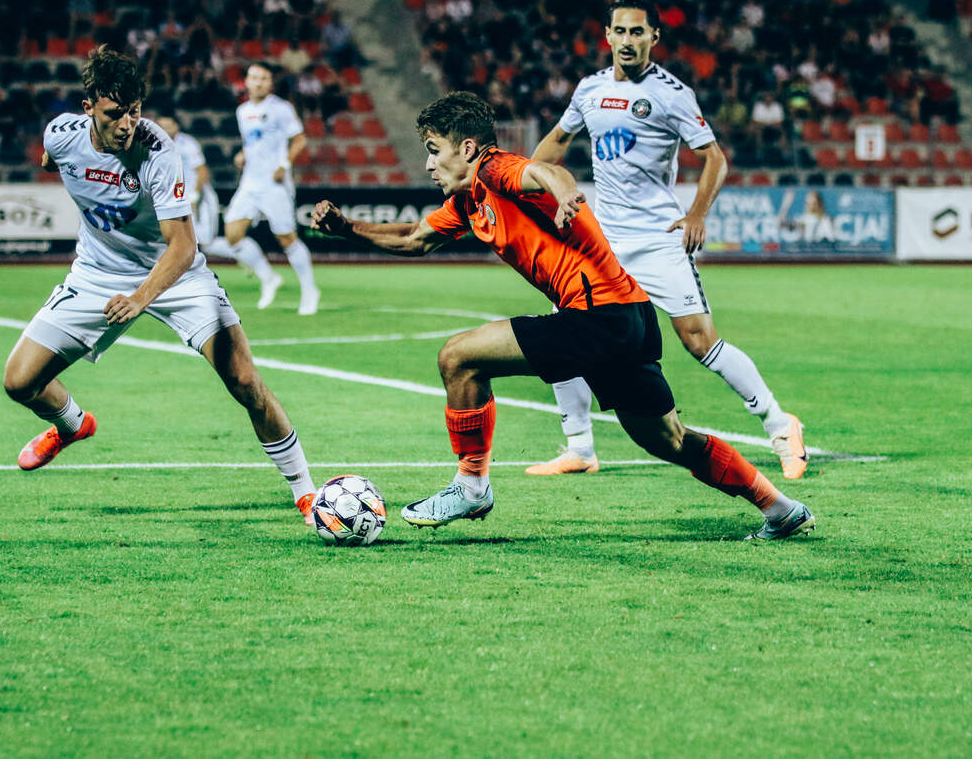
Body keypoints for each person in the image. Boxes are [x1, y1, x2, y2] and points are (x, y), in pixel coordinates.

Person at [311, 91, 815, 541]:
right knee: (670, 440)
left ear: (466, 148)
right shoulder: (468, 200)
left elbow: (544, 171)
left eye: (433, 149)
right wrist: (348, 228)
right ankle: (780, 509)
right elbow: (416, 239)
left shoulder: (493, 169)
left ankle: (471, 486)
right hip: (630, 315)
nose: (428, 164)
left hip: (597, 315)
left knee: (459, 357)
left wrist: (566, 192)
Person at [2, 46, 317, 527]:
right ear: (88, 109)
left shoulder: (157, 151)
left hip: (175, 276)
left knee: (244, 380)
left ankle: (307, 492)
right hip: (97, 273)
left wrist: (140, 297)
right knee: (19, 382)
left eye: (134, 111)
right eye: (114, 113)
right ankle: (72, 425)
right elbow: (51, 159)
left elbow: (183, 246)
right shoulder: (62, 135)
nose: (127, 124)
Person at [525, 0, 808, 480]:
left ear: (654, 37)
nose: (628, 40)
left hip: (658, 238)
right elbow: (555, 143)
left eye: (638, 31)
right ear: (607, 36)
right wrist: (529, 178)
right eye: (620, 31)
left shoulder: (671, 94)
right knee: (563, 331)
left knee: (699, 341)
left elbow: (715, 158)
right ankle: (580, 448)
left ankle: (781, 425)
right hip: (602, 240)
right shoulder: (589, 90)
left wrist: (697, 213)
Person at [156, 116, 283, 309]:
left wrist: (194, 196)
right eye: (162, 126)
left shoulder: (187, 144)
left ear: (177, 126)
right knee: (181, 243)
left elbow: (203, 172)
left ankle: (261, 268)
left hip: (199, 201)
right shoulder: (154, 146)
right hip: (176, 201)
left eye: (169, 125)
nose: (166, 129)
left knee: (205, 243)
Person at [228, 63, 320, 315]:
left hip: (274, 184)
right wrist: (243, 154)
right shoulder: (242, 111)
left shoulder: (281, 108)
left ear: (271, 83)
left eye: (264, 78)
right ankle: (269, 278)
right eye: (254, 77)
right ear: (246, 81)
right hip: (250, 182)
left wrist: (284, 164)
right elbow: (253, 141)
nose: (258, 82)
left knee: (286, 238)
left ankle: (310, 290)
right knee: (233, 235)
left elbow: (299, 139)